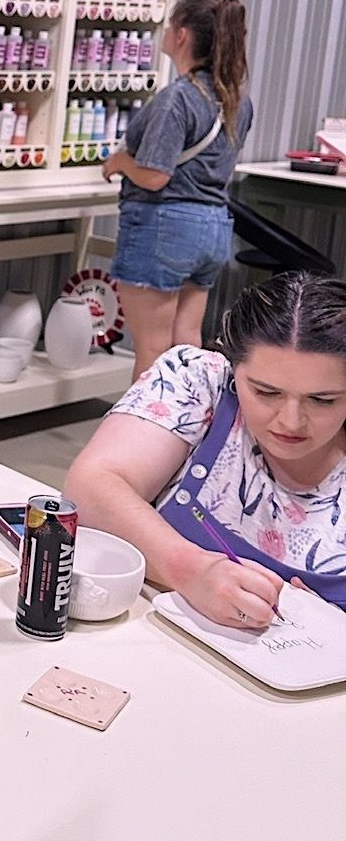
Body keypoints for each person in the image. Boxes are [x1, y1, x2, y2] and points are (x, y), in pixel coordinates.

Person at [65, 271, 346, 632]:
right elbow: (90, 486)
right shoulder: (200, 379)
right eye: (266, 392)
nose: (291, 421)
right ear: (233, 364)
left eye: (322, 400)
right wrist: (191, 570)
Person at [101, 0, 253, 379]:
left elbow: (155, 176)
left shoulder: (178, 99)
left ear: (181, 35)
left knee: (151, 350)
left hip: (164, 228)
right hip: (213, 228)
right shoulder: (237, 101)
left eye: (170, 26)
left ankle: (145, 420)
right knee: (186, 343)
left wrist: (119, 163)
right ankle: (188, 417)